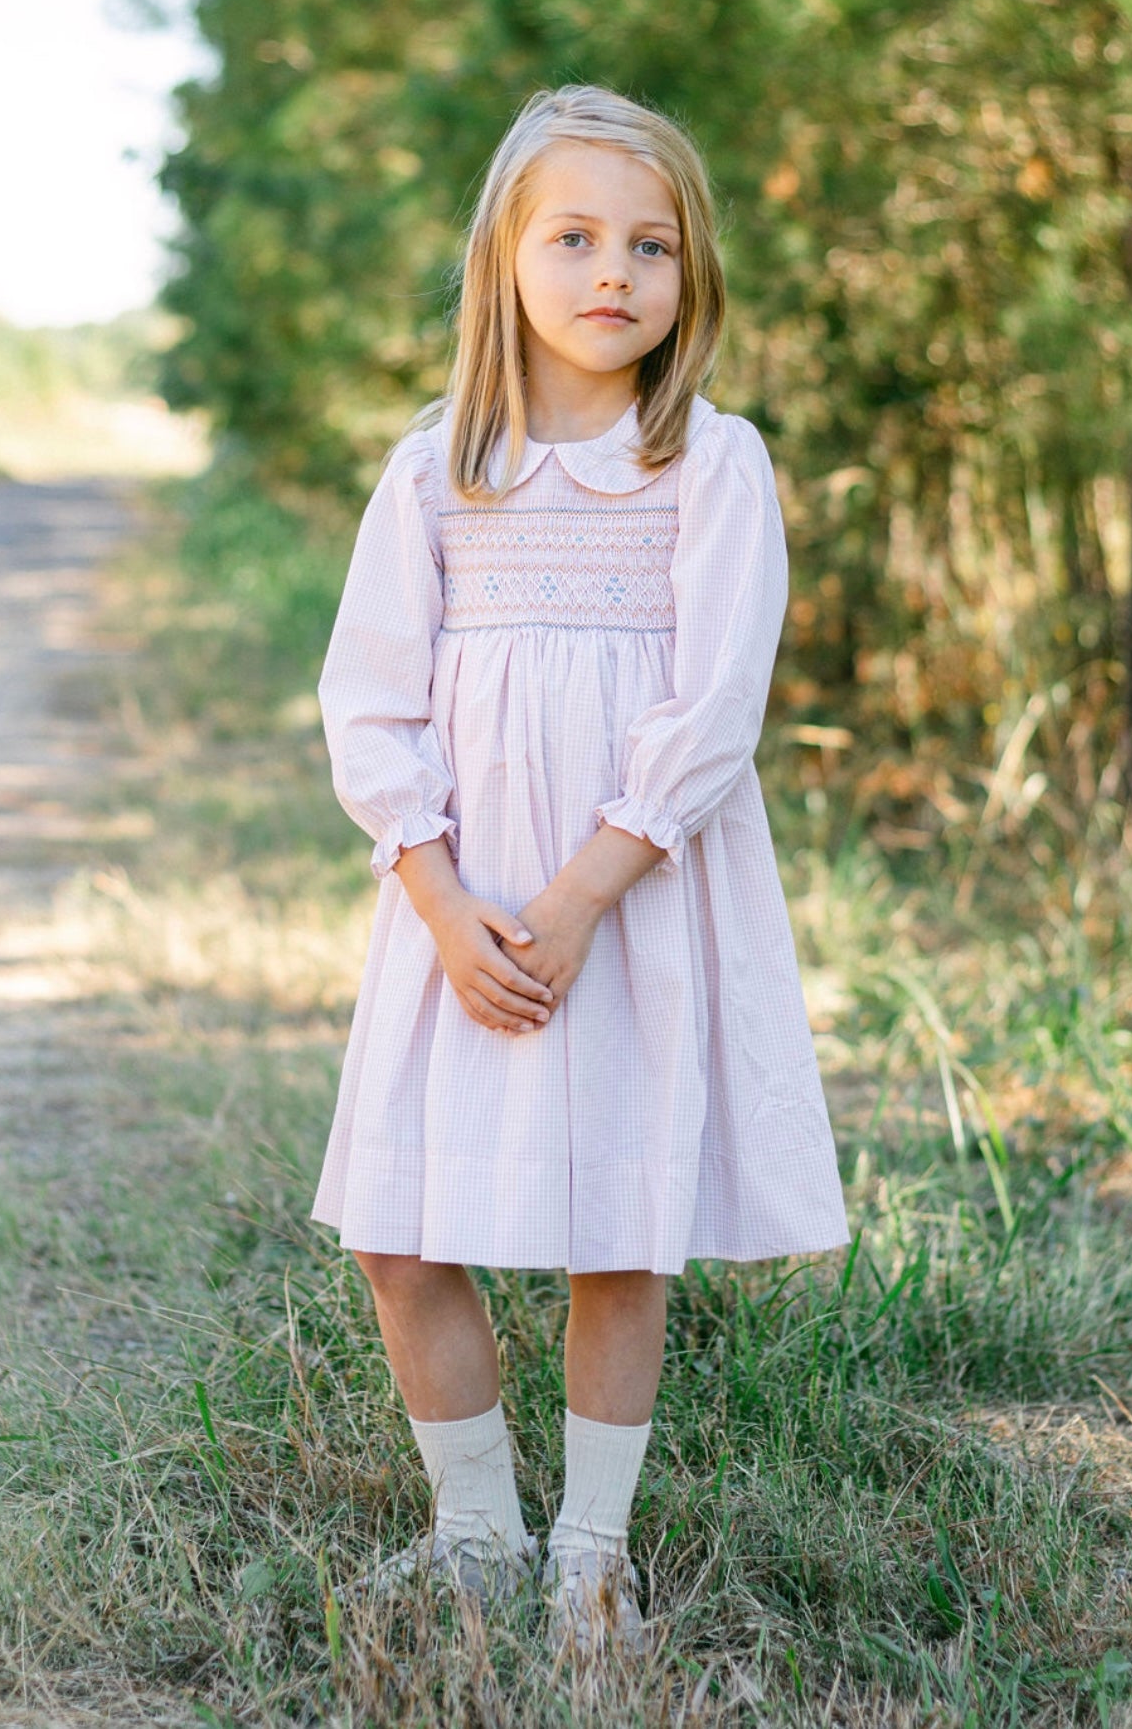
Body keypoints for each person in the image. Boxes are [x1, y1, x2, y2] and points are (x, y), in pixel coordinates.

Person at [311, 82, 850, 1657]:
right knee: (399, 1230)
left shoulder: (709, 464)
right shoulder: (435, 470)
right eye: (572, 236)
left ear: (691, 274)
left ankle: (588, 1558)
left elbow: (713, 710)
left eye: (649, 244)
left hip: (627, 894)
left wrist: (573, 900)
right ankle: (475, 1534)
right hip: (459, 906)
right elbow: (369, 700)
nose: (613, 269)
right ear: (503, 256)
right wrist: (442, 898)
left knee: (618, 1225)